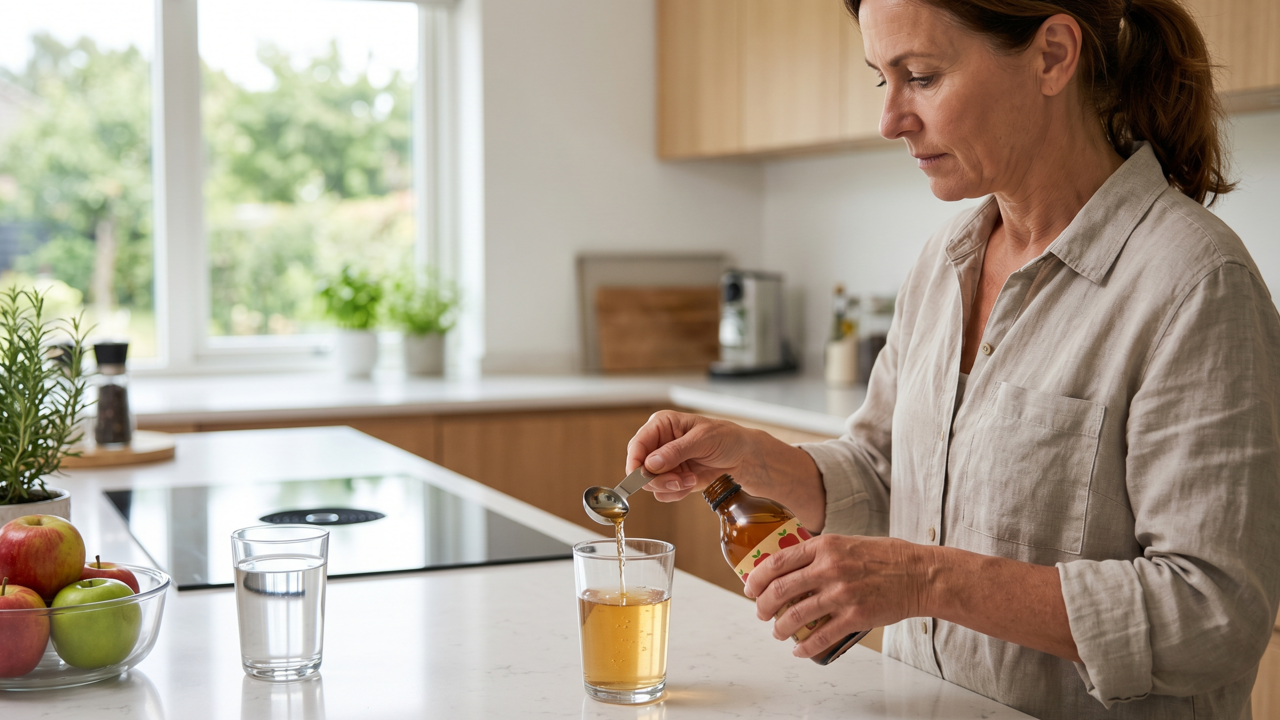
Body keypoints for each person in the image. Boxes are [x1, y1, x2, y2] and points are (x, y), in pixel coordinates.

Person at [625, 0, 1280, 717]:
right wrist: (758, 459)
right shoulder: (944, 262)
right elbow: (888, 473)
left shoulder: (1194, 283)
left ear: (1053, 56)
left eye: (923, 76)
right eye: (883, 80)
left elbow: (1214, 613)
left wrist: (928, 580)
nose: (890, 118)